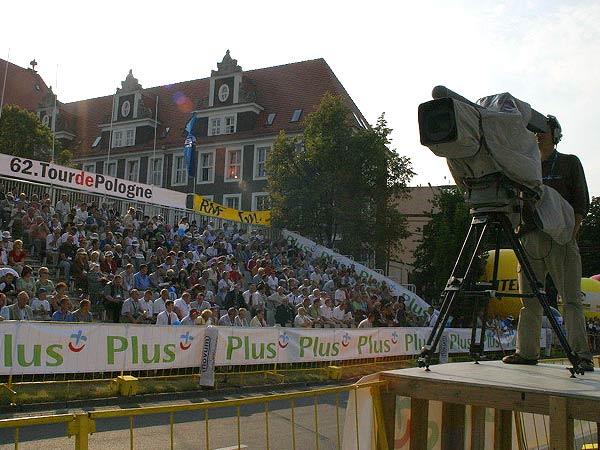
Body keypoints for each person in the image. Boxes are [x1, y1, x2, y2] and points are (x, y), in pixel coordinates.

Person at [503, 115, 595, 371]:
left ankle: (581, 355)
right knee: (529, 300)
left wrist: (570, 233)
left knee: (570, 300)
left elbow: (581, 203)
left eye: (543, 130)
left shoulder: (569, 163)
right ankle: (527, 352)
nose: (537, 134)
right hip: (529, 237)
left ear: (555, 134)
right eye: (534, 130)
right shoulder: (524, 165)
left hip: (560, 238)